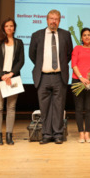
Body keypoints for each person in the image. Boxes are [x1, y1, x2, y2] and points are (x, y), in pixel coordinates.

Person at [29, 9, 73, 145]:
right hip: (43, 77)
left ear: (59, 21)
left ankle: (58, 134)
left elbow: (69, 54)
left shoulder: (66, 34)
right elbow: (32, 55)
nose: (53, 21)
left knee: (59, 107)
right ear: (47, 20)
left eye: (56, 19)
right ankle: (47, 134)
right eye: (51, 18)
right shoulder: (37, 35)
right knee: (45, 107)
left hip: (59, 76)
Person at [0, 18, 25, 145]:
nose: (9, 28)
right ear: (3, 28)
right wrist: (2, 75)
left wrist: (11, 74)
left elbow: (21, 61)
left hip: (13, 78)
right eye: (7, 26)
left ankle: (9, 135)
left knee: (11, 107)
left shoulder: (19, 42)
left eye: (11, 26)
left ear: (14, 28)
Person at [71, 28, 90, 143]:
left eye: (89, 35)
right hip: (77, 80)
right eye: (84, 35)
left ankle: (87, 134)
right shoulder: (77, 48)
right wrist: (81, 78)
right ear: (81, 37)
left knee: (89, 109)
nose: (87, 37)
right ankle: (81, 134)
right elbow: (74, 64)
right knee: (78, 109)